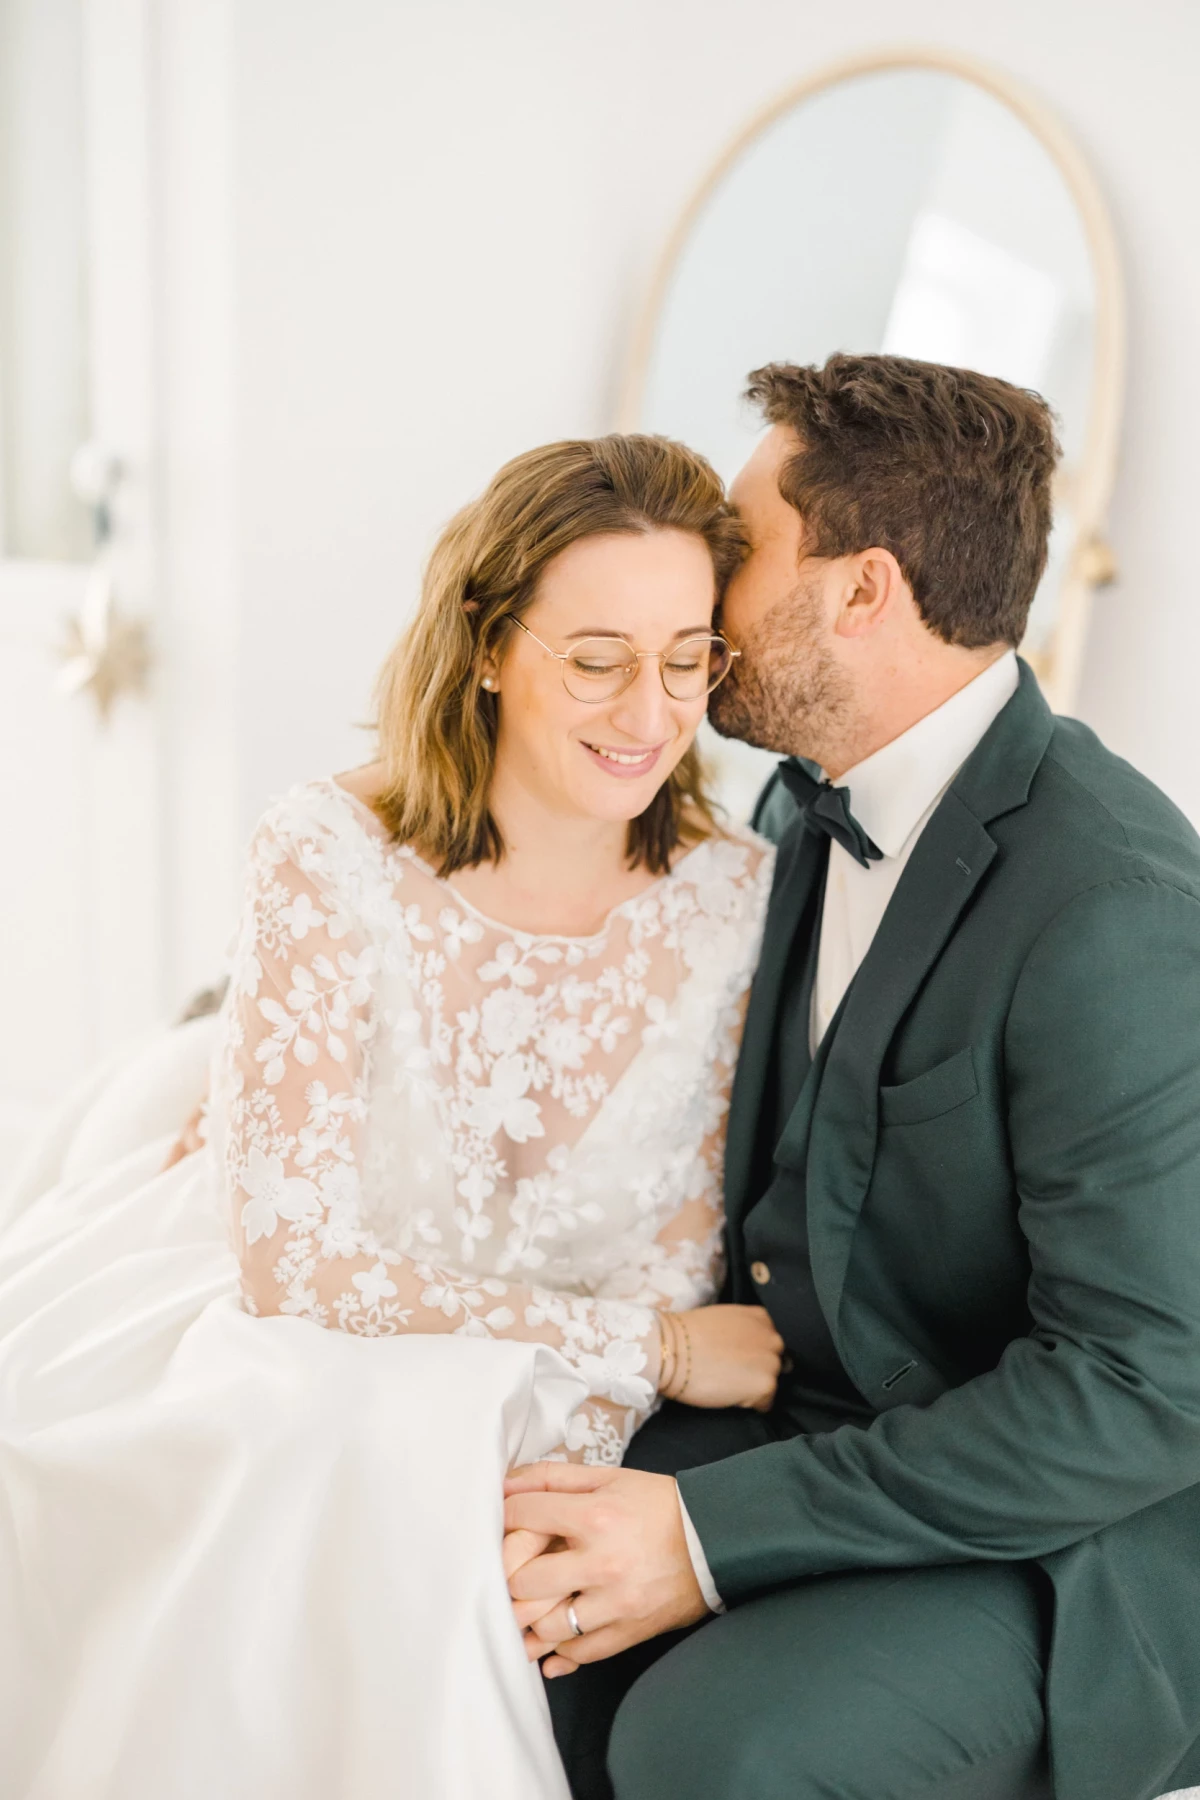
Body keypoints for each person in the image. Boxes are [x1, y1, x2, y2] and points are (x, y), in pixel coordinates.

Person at [0, 434, 783, 1799]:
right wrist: (656, 1347)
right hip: (272, 1293)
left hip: (512, 1357)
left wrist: (579, 1429)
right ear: (487, 646)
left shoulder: (739, 896)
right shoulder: (327, 849)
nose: (651, 713)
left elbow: (676, 1226)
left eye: (687, 656)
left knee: (417, 1458)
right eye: (597, 658)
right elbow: (294, 1265)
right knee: (314, 1431)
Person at [507, 355, 1200, 1800]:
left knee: (710, 1749)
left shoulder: (1116, 908)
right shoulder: (800, 801)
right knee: (496, 1584)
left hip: (1069, 1532)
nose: (703, 592)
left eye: (744, 550)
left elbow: (1144, 1389)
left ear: (864, 589)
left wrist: (706, 1539)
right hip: (810, 1406)